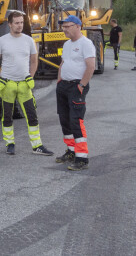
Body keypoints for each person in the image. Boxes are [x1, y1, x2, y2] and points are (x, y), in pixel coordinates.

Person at [0, 10, 54, 156]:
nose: (20, 25)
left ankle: (37, 145)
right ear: (10, 24)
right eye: (16, 23)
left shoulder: (28, 40)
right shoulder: (2, 40)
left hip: (24, 84)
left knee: (32, 115)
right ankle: (10, 144)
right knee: (7, 116)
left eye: (21, 22)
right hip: (8, 84)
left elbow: (34, 60)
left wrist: (30, 77)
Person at [55, 15, 96, 171]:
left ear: (78, 26)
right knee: (64, 120)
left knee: (75, 120)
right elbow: (63, 63)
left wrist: (81, 85)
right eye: (63, 27)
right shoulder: (66, 44)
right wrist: (59, 80)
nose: (64, 29)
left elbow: (90, 66)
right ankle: (71, 151)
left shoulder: (86, 44)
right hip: (63, 86)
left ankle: (82, 158)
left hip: (76, 87)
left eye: (67, 26)